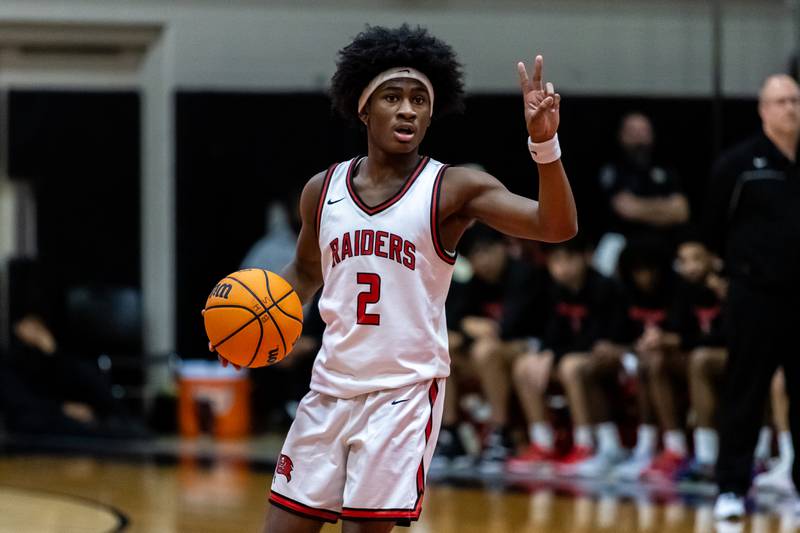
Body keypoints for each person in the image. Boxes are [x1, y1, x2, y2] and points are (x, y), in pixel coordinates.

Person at [214, 25, 577, 532]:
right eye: (393, 97)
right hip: (329, 389)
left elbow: (555, 226)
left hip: (402, 396)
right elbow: (303, 272)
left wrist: (545, 146)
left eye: (418, 100)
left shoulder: (453, 189)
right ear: (364, 109)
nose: (407, 109)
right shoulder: (323, 190)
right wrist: (250, 324)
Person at [707, 74, 800, 521]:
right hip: (754, 295)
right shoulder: (738, 165)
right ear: (763, 109)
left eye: (795, 100)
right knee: (745, 393)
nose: (790, 108)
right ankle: (730, 487)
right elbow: (710, 231)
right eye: (780, 101)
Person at [506, 236, 623, 474]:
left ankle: (586, 444)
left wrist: (554, 355)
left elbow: (596, 337)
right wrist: (546, 354)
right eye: (556, 261)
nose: (563, 267)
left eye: (569, 259)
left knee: (571, 366)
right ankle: (543, 443)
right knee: (524, 365)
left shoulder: (604, 286)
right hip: (574, 355)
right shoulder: (554, 289)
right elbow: (551, 333)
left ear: (586, 257)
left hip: (616, 354)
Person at [445, 225, 548, 472]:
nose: (483, 261)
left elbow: (505, 328)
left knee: (486, 351)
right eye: (475, 256)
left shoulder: (524, 275)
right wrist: (469, 325)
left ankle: (501, 435)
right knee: (443, 348)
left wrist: (471, 328)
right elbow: (453, 322)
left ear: (504, 247)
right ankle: (451, 434)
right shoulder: (474, 284)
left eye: (487, 251)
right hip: (494, 354)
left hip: (531, 349)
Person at [592, 113, 689, 275]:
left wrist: (640, 206)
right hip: (622, 239)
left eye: (643, 131)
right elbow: (625, 208)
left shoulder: (665, 170)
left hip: (662, 239)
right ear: (621, 136)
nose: (639, 138)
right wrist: (663, 207)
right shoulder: (614, 170)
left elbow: (681, 212)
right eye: (633, 132)